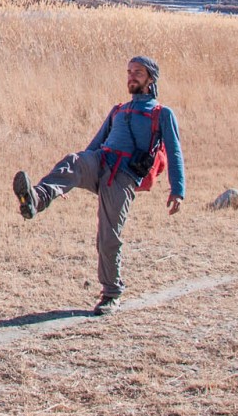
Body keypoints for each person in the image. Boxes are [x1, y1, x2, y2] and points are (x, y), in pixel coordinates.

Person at [12, 55, 185, 315]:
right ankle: (37, 199)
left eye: (138, 72)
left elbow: (174, 152)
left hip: (123, 178)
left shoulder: (161, 113)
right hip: (100, 162)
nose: (131, 76)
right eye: (129, 71)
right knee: (74, 160)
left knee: (108, 236)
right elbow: (93, 146)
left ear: (151, 78)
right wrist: (72, 177)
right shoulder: (119, 110)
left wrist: (178, 189)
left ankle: (111, 293)